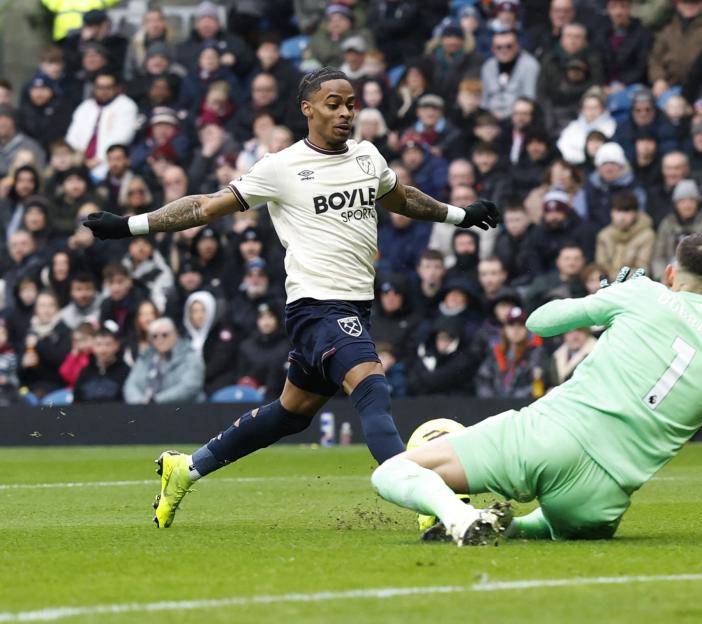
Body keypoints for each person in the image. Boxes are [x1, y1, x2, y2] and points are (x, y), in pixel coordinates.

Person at [84, 68, 499, 529]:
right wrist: (128, 226)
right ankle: (434, 510)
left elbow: (401, 198)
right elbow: (204, 206)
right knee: (372, 390)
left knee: (291, 414)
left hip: (354, 306)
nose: (345, 112)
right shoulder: (280, 167)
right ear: (308, 109)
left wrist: (460, 215)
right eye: (333, 104)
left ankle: (188, 468)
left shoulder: (367, 158)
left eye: (350, 104)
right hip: (317, 306)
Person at [372, 235, 702, 545]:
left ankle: (457, 517)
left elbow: (538, 322)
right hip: (600, 497)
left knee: (392, 471)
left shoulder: (643, 292)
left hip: (546, 438)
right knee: (558, 524)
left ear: (671, 274)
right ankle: (508, 526)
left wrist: (606, 297)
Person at [123, 317, 206, 405]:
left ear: (175, 335)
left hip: (185, 410)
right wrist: (139, 402)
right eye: (155, 336)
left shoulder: (190, 356)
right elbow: (130, 385)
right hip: (147, 411)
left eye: (164, 335)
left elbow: (190, 386)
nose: (160, 339)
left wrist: (156, 401)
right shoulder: (145, 357)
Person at [474, 306, 546, 398]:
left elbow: (537, 383)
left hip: (523, 407)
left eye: (520, 325)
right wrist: (492, 401)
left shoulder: (536, 352)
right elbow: (483, 379)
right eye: (511, 325)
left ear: (527, 329)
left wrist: (510, 402)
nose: (516, 330)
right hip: (494, 407)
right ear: (505, 329)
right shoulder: (496, 351)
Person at [73, 322, 130, 402]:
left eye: (108, 344)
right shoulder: (85, 372)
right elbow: (76, 402)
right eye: (98, 344)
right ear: (93, 346)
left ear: (116, 346)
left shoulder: (126, 371)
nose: (103, 350)